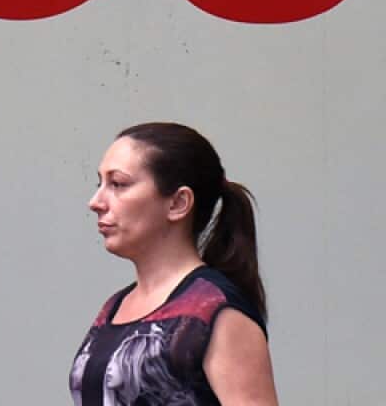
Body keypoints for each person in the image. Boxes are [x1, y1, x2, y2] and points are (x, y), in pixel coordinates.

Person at [68, 122, 278, 406]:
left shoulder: (217, 311)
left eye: (118, 184)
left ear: (178, 203)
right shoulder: (113, 308)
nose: (96, 202)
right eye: (100, 183)